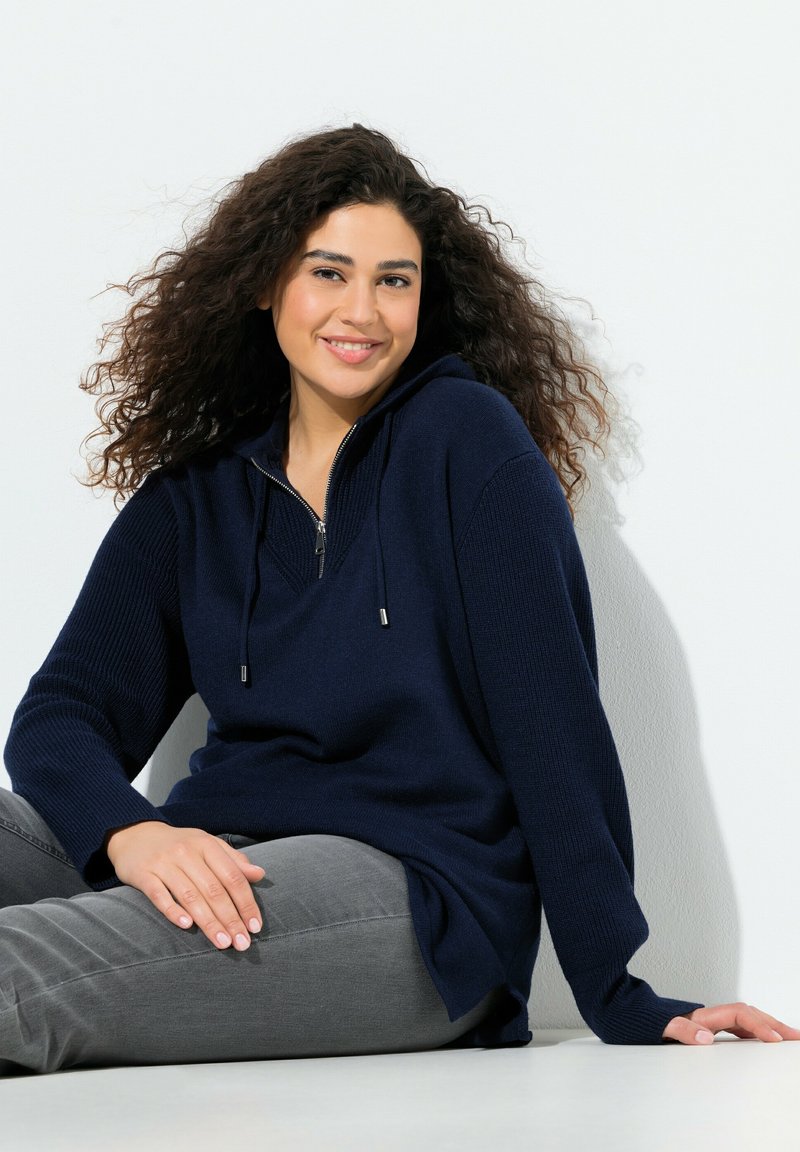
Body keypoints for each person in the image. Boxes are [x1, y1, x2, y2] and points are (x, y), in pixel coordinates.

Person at [1, 124, 796, 1076]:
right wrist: (131, 832)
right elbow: (62, 714)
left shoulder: (467, 443)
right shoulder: (196, 497)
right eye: (328, 273)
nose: (363, 311)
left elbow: (552, 726)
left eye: (394, 280)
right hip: (233, 860)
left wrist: (619, 991)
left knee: (19, 970)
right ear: (265, 284)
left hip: (417, 898)